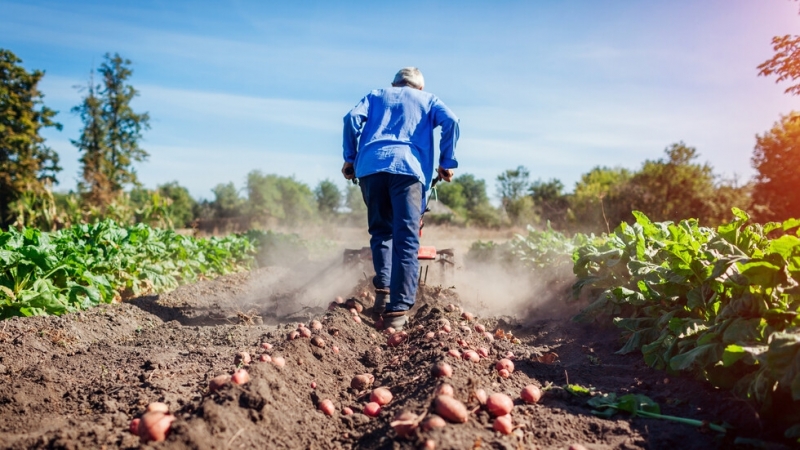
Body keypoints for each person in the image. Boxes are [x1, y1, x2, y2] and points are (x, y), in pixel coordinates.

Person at [341, 67, 460, 331]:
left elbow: (351, 118)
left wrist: (350, 158)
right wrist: (446, 161)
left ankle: (383, 294)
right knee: (406, 237)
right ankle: (398, 311)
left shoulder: (376, 95)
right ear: (419, 88)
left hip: (371, 167)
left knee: (381, 231)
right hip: (408, 169)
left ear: (394, 85)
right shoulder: (428, 99)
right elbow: (451, 121)